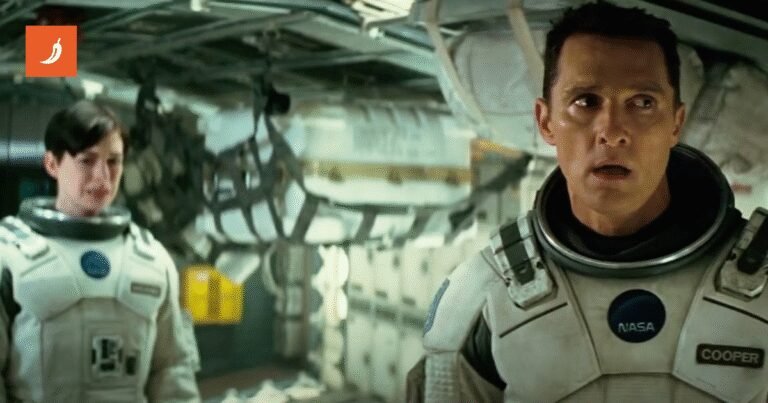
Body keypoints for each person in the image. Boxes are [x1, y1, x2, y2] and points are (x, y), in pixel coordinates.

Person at [407, 1, 768, 402]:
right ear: (546, 122)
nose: (612, 132)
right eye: (585, 102)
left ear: (675, 123)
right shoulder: (481, 296)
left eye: (642, 103)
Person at [0, 100, 201, 402]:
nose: (102, 177)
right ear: (52, 164)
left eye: (113, 161)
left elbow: (172, 370)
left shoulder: (152, 259)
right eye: (87, 161)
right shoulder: (9, 257)